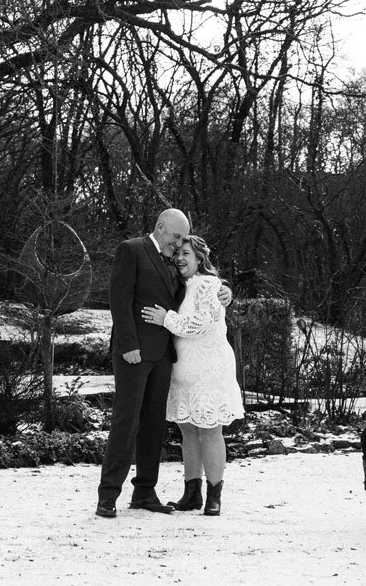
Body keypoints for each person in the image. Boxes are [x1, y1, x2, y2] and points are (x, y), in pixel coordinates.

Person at [96, 208, 230, 518]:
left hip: (164, 356)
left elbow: (200, 290)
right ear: (160, 226)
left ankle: (145, 490)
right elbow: (119, 298)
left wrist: (225, 292)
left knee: (154, 425)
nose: (179, 244)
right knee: (126, 421)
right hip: (134, 353)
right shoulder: (131, 249)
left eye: (183, 240)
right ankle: (107, 494)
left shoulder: (174, 263)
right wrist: (128, 344)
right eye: (176, 236)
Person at [142, 234, 245, 516]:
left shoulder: (209, 285)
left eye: (186, 253)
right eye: (178, 254)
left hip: (210, 368)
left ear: (200, 258)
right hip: (183, 368)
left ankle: (214, 495)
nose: (180, 258)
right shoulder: (178, 285)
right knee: (187, 429)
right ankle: (191, 493)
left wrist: (167, 319)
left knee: (210, 430)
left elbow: (202, 324)